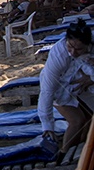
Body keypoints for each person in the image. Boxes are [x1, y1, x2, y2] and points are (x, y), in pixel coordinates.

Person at [38, 19, 94, 155]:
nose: (73, 52)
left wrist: (90, 79)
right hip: (58, 87)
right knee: (77, 121)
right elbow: (47, 91)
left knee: (89, 119)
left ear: (88, 45)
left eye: (78, 49)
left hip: (80, 82)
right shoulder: (58, 55)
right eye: (70, 46)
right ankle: (64, 153)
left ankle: (81, 150)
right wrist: (47, 125)